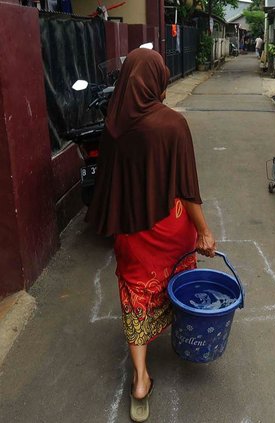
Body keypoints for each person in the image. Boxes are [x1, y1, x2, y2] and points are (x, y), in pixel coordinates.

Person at [85, 48, 216, 422]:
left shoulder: (113, 127)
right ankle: (185, 338)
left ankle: (140, 379)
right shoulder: (172, 124)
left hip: (131, 232)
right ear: (157, 79)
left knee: (136, 296)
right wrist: (204, 232)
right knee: (175, 286)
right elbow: (187, 189)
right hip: (171, 228)